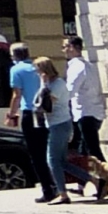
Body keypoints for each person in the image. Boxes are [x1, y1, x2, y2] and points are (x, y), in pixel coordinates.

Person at [5, 41, 51, 201]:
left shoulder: (16, 69)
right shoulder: (36, 67)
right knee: (47, 151)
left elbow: (17, 95)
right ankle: (56, 185)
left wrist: (11, 115)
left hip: (30, 113)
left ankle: (48, 189)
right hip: (44, 113)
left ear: (14, 56)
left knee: (36, 154)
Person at [33, 55, 74, 205]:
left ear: (44, 69)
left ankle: (63, 194)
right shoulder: (49, 84)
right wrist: (42, 85)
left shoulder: (57, 84)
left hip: (60, 124)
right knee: (62, 161)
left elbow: (45, 105)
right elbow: (37, 101)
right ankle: (95, 180)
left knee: (52, 160)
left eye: (37, 70)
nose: (36, 73)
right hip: (56, 124)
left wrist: (43, 85)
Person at [60, 34, 105, 163]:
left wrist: (56, 103)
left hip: (85, 113)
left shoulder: (76, 67)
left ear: (72, 48)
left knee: (92, 150)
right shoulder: (89, 66)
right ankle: (85, 180)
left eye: (65, 47)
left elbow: (70, 91)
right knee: (83, 150)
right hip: (94, 111)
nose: (63, 50)